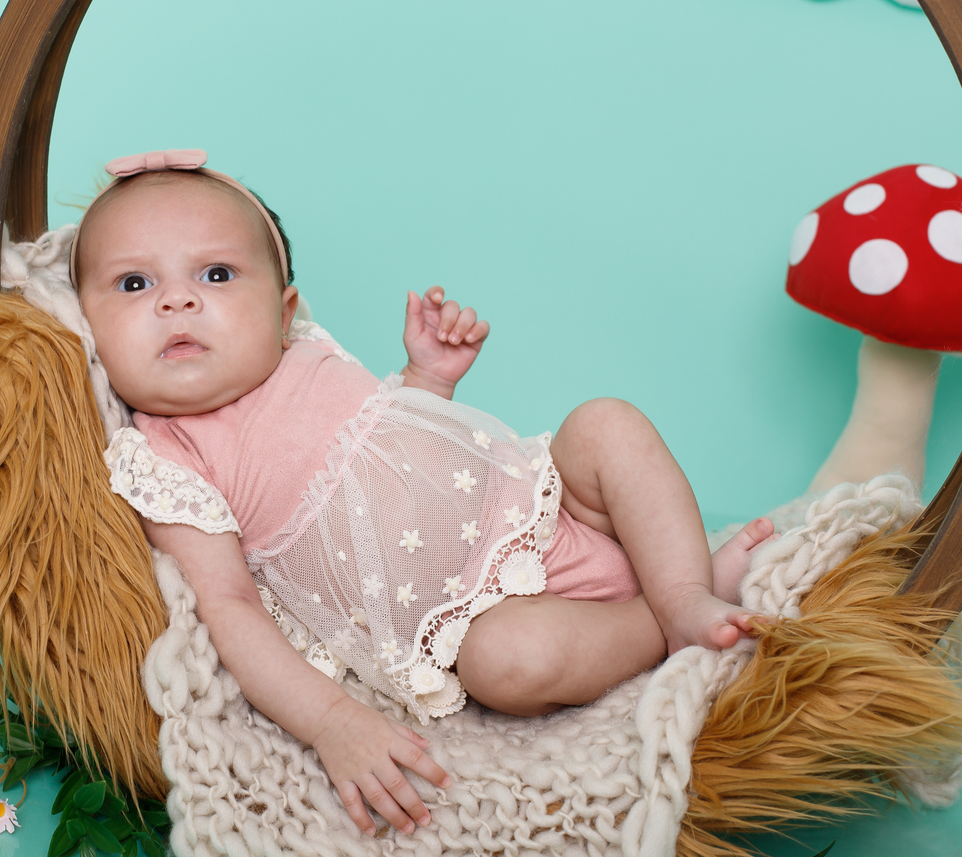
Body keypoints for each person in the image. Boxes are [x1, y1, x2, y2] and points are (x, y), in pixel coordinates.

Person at [73, 150, 775, 838]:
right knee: (510, 663)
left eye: (217, 273)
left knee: (604, 425)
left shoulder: (304, 351)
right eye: (133, 283)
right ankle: (660, 617)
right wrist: (332, 722)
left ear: (284, 312)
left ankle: (683, 592)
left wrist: (428, 379)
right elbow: (230, 607)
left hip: (556, 511)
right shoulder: (165, 455)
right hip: (483, 620)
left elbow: (392, 448)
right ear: (86, 330)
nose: (177, 300)